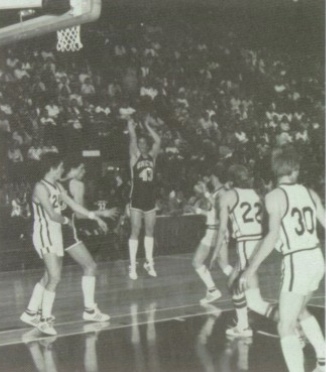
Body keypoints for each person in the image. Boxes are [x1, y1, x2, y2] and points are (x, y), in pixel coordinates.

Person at [239, 146, 325, 372]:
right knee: (300, 311)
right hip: (316, 258)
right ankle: (324, 361)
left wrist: (250, 268)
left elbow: (272, 236)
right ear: (294, 170)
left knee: (285, 325)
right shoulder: (310, 192)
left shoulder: (274, 196)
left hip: (298, 261)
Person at [20, 153, 107, 336]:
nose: (62, 170)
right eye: (60, 167)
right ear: (52, 168)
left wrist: (94, 216)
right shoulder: (40, 187)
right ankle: (44, 319)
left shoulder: (57, 186)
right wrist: (67, 220)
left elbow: (73, 205)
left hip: (56, 234)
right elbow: (52, 215)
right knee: (55, 277)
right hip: (45, 234)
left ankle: (30, 314)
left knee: (50, 276)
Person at [211, 164, 275, 338]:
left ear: (231, 181)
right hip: (258, 242)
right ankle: (243, 326)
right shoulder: (257, 194)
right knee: (235, 285)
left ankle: (293, 325)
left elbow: (222, 229)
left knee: (251, 299)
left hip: (247, 244)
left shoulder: (228, 196)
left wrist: (215, 252)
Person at [60, 156, 119, 322]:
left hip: (52, 230)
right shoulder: (76, 184)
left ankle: (34, 311)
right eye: (82, 169)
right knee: (90, 266)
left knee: (51, 275)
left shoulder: (57, 182)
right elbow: (78, 213)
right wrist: (101, 214)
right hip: (66, 231)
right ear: (74, 168)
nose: (84, 172)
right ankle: (90, 310)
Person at [127, 115, 161, 280]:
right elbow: (132, 138)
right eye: (139, 143)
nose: (141, 145)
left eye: (143, 143)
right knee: (135, 230)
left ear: (147, 145)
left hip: (150, 199)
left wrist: (147, 126)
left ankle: (149, 262)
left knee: (149, 231)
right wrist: (131, 126)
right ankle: (132, 265)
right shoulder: (134, 157)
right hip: (136, 198)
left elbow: (158, 140)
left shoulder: (152, 157)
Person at [192, 163, 231, 305]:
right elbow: (212, 213)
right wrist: (198, 211)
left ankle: (245, 285)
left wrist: (205, 193)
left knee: (225, 266)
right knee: (197, 262)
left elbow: (219, 207)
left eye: (211, 176)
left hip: (218, 230)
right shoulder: (216, 191)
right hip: (211, 230)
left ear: (215, 176)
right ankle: (213, 290)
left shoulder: (222, 192)